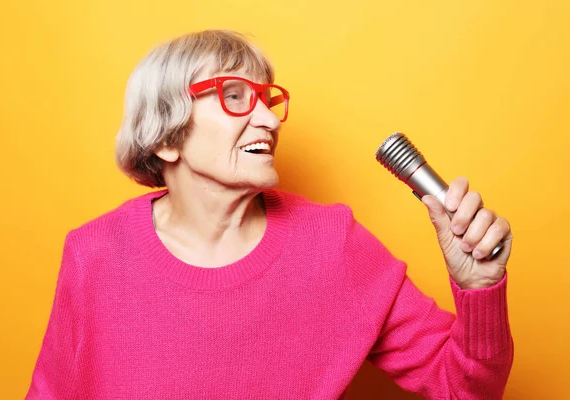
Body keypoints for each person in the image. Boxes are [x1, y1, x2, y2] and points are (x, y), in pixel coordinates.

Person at [25, 29, 514, 399]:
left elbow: (462, 387)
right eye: (235, 96)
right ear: (166, 137)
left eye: (267, 99)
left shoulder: (333, 243)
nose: (268, 119)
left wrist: (479, 289)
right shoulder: (96, 253)